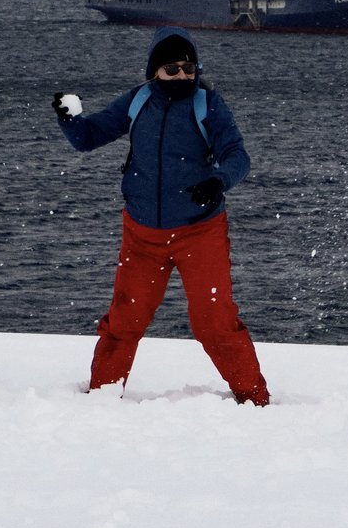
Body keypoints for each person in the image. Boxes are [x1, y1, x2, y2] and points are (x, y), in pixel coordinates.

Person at [55, 28, 269, 405]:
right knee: (124, 321)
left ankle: (255, 402)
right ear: (154, 71)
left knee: (214, 322)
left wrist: (218, 181)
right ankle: (101, 400)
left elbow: (238, 156)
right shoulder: (138, 101)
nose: (183, 76)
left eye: (189, 68)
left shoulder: (209, 105)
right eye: (172, 69)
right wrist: (70, 118)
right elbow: (87, 139)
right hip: (141, 235)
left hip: (199, 232)